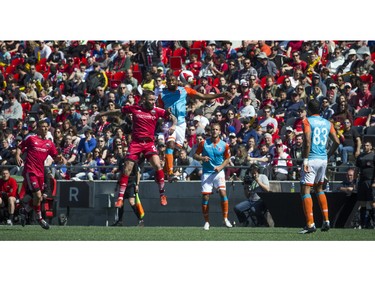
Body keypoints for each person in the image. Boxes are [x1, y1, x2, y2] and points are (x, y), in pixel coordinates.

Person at [98, 90, 177, 207]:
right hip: (136, 143)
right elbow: (118, 111)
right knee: (127, 169)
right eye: (150, 99)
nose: (153, 102)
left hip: (149, 143)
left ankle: (162, 195)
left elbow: (172, 117)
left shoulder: (157, 111)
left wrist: (174, 125)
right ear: (144, 99)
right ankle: (120, 198)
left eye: (154, 100)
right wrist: (103, 114)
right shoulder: (135, 108)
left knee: (158, 165)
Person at [158, 74, 228, 182]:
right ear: (166, 82)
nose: (171, 82)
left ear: (177, 81)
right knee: (170, 144)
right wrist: (164, 114)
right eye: (168, 80)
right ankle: (170, 173)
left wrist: (220, 95)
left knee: (177, 149)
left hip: (181, 124)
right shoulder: (162, 94)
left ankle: (165, 169)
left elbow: (203, 96)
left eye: (173, 80)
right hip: (169, 122)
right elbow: (160, 110)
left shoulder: (184, 90)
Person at [299, 99, 340, 234]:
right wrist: (328, 154)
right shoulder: (328, 123)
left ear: (309, 110)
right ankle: (326, 220)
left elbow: (308, 141)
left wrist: (305, 160)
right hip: (323, 159)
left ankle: (310, 224)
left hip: (311, 159)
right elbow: (337, 141)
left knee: (305, 190)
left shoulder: (307, 121)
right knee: (319, 188)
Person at [15, 120, 62, 230]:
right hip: (30, 171)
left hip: (41, 173)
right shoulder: (31, 139)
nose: (45, 129)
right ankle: (39, 218)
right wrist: (18, 155)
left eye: (46, 127)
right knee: (38, 195)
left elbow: (56, 157)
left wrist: (59, 159)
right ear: (38, 128)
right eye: (42, 126)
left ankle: (25, 210)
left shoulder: (49, 144)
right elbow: (20, 146)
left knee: (38, 197)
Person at [193, 123, 233, 230]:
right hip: (207, 173)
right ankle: (207, 222)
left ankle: (225, 219)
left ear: (220, 132)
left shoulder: (224, 145)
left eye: (216, 129)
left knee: (222, 192)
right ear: (210, 131)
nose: (214, 131)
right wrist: (202, 158)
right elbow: (195, 155)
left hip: (218, 172)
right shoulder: (204, 143)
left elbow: (227, 159)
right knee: (206, 196)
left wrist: (220, 167)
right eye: (213, 129)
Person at [111, 154, 145, 227]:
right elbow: (121, 173)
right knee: (120, 203)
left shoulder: (133, 162)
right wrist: (117, 184)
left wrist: (137, 184)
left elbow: (138, 173)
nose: (126, 153)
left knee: (131, 202)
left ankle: (140, 220)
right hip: (122, 185)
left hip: (130, 184)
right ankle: (120, 221)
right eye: (124, 151)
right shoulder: (122, 161)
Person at [355, 141, 375, 229]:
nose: (365, 146)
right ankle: (362, 224)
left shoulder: (374, 156)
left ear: (371, 147)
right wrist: (355, 181)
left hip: (371, 181)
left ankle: (373, 222)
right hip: (362, 182)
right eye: (364, 145)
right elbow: (356, 169)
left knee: (372, 203)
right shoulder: (360, 157)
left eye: (367, 145)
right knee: (362, 203)